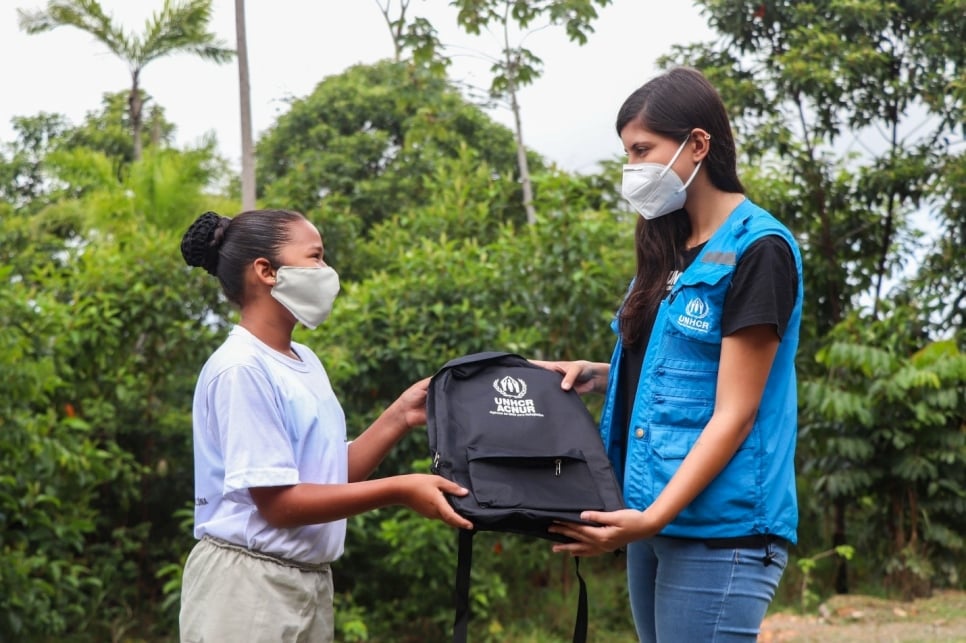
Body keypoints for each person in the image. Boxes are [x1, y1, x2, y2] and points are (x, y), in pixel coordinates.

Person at [536, 67, 803, 642]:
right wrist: (599, 374)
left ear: (697, 145)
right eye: (626, 153)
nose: (633, 168)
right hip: (655, 518)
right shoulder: (668, 250)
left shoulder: (759, 249)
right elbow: (687, 372)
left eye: (642, 150)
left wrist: (652, 518)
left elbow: (736, 410)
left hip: (719, 526)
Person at [177, 209, 473, 643]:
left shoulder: (303, 360)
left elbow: (325, 476)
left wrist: (401, 415)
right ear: (266, 271)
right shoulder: (241, 368)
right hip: (247, 589)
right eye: (316, 257)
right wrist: (400, 489)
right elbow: (278, 504)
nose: (327, 271)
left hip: (307, 583)